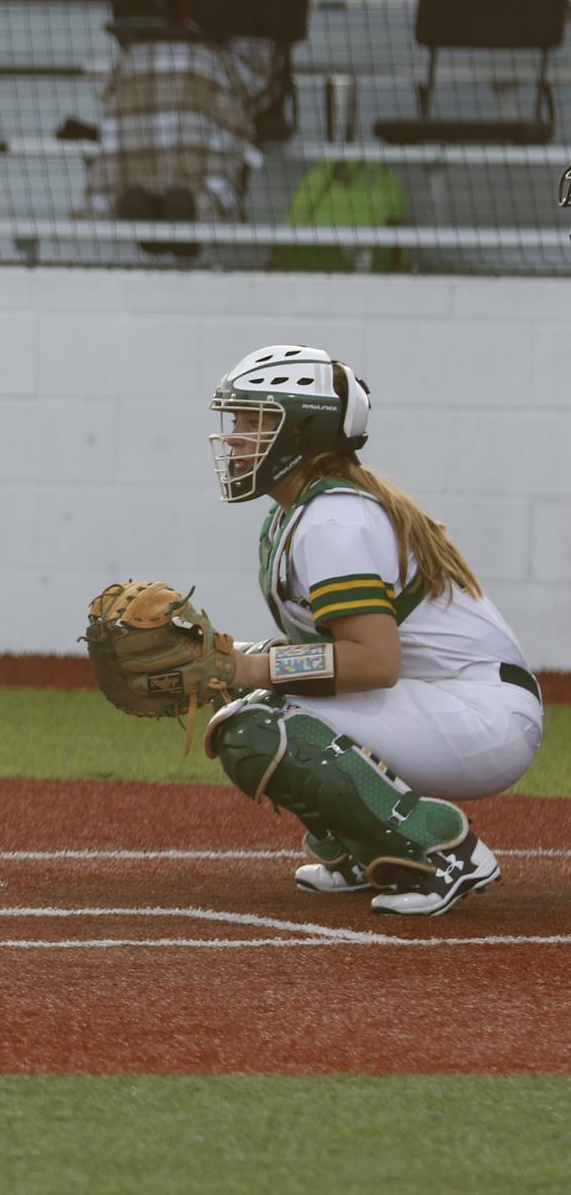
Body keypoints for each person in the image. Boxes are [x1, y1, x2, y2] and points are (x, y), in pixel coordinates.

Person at [202, 344, 544, 916]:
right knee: (243, 685)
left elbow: (373, 663)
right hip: (448, 698)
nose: (234, 437)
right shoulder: (301, 512)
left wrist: (250, 666)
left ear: (301, 430)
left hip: (480, 714)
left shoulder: (332, 519)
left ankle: (442, 851)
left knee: (259, 723)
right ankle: (366, 849)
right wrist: (222, 658)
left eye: (252, 420)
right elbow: (331, 657)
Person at [81, 0, 280, 256]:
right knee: (137, 67)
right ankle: (139, 197)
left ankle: (196, 205)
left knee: (192, 67)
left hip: (234, 60)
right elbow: (126, 8)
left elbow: (226, 21)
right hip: (168, 59)